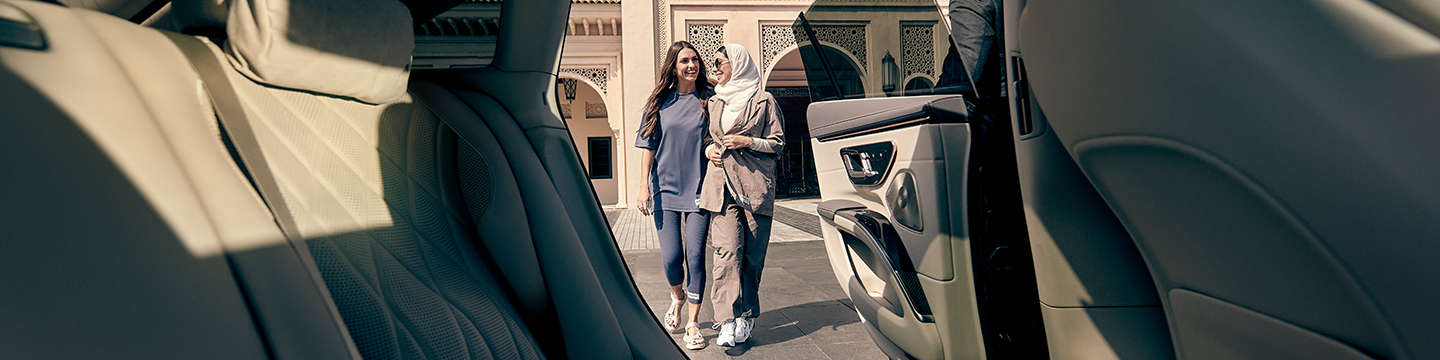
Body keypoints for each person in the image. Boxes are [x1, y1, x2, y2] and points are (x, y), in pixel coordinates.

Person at [698, 43, 784, 348]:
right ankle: (727, 319)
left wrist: (748, 140)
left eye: (721, 62)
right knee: (727, 251)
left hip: (755, 186)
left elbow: (778, 143)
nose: (716, 68)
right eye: (715, 63)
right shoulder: (715, 102)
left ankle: (746, 315)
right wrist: (710, 151)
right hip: (721, 186)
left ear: (738, 64)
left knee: (751, 256)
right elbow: (708, 138)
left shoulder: (764, 100)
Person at [634, 40, 714, 351]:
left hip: (699, 189)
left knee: (694, 256)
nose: (691, 65)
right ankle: (677, 297)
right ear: (674, 66)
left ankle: (693, 323)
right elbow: (648, 146)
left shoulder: (709, 100)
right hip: (664, 190)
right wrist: (643, 185)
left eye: (695, 59)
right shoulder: (659, 103)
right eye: (684, 61)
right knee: (672, 258)